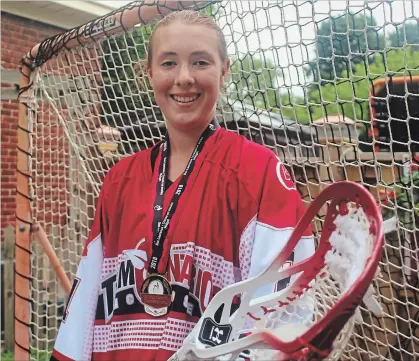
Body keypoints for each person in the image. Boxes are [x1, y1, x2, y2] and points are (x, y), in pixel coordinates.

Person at [50, 8, 314, 361]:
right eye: (169, 63)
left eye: (201, 62)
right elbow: (86, 303)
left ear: (225, 70)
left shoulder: (257, 172)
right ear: (149, 74)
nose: (184, 78)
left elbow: (281, 311)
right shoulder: (119, 180)